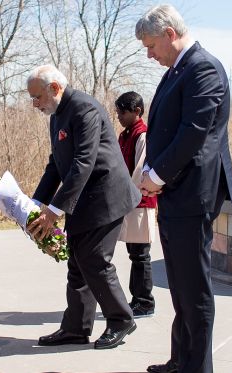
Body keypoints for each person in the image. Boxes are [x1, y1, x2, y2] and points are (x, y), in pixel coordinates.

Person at [135, 5, 232, 373]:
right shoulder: (177, 69)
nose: (149, 54)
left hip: (194, 193)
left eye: (150, 46)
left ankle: (197, 368)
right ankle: (181, 359)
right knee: (179, 284)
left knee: (194, 288)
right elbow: (165, 130)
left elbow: (193, 132)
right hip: (176, 192)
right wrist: (149, 170)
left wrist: (157, 175)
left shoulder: (203, 68)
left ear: (168, 33)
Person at [26, 65, 140, 350]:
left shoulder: (84, 108)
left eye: (37, 97)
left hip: (105, 196)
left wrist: (54, 210)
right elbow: (57, 164)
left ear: (55, 88)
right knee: (77, 262)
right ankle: (76, 328)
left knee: (94, 260)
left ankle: (121, 320)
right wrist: (35, 203)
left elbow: (83, 162)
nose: (35, 104)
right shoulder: (56, 116)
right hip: (82, 200)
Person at [115, 91, 157, 317]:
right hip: (128, 201)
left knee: (141, 254)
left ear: (137, 111)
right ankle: (137, 299)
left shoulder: (142, 135)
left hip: (140, 201)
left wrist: (125, 195)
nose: (119, 116)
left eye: (123, 112)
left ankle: (145, 301)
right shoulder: (125, 135)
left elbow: (140, 171)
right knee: (135, 254)